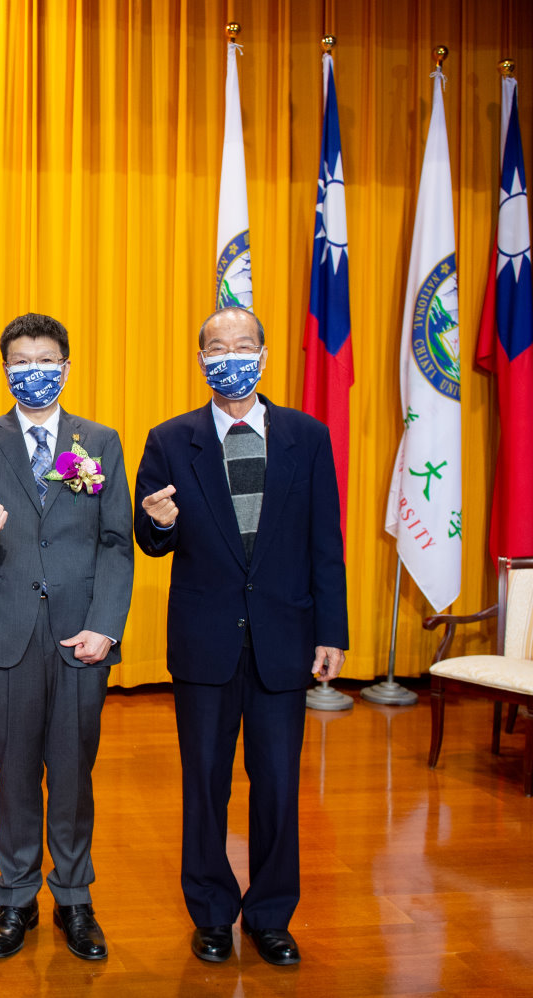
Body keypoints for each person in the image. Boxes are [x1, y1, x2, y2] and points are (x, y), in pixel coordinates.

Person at [133, 305, 348, 967]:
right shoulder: (170, 440)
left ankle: (270, 914)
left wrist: (331, 630)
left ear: (263, 353)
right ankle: (209, 910)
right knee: (203, 783)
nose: (230, 355)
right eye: (216, 347)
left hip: (283, 638)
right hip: (205, 644)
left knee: (278, 784)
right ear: (199, 360)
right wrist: (159, 521)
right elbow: (148, 537)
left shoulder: (305, 437)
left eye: (242, 344)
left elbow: (324, 543)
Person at [0, 312, 135, 961]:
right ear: (4, 370)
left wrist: (106, 627)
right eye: (20, 361)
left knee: (74, 771)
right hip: (7, 633)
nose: (33, 371)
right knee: (15, 770)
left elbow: (117, 542)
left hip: (81, 634)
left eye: (44, 360)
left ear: (65, 366)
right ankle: (15, 897)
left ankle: (75, 896)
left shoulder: (101, 441)